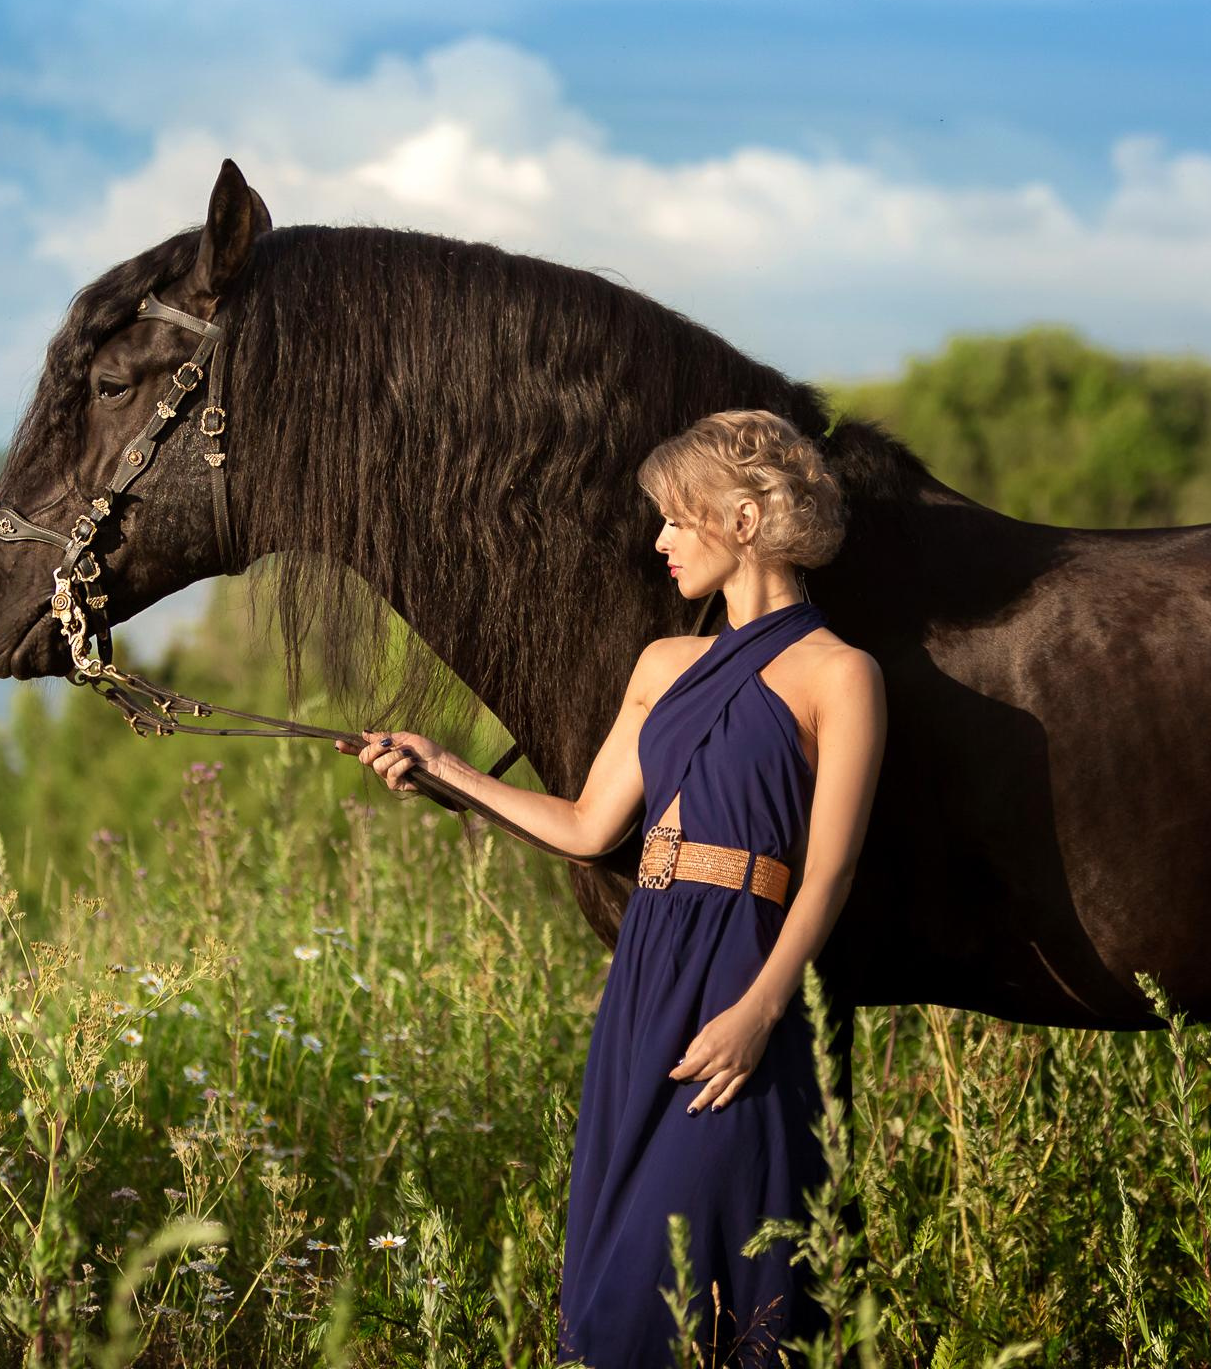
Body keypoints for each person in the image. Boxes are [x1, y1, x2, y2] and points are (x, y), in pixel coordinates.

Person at [341, 407, 888, 1367]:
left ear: (744, 520)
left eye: (677, 518)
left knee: (692, 1273)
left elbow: (830, 871)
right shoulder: (663, 664)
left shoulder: (842, 674)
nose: (660, 540)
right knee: (619, 1270)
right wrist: (446, 768)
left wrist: (761, 1011)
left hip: (742, 976)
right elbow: (590, 827)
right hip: (647, 970)